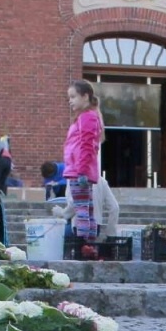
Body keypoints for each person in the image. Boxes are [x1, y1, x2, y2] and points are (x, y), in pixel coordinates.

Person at [63, 81, 104, 241]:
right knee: (88, 210)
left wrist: (81, 171)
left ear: (85, 96)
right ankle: (90, 246)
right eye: (69, 97)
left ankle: (83, 245)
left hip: (79, 171)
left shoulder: (87, 117)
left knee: (81, 211)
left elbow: (87, 145)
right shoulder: (88, 117)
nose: (70, 101)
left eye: (73, 97)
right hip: (81, 170)